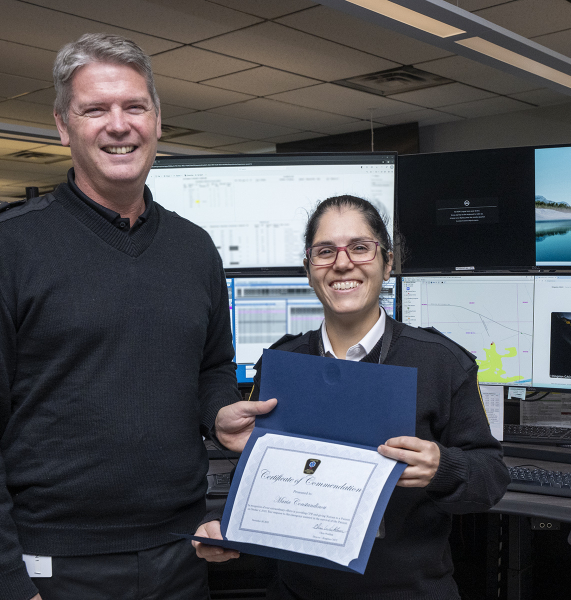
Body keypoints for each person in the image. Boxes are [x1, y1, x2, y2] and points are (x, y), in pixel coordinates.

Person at [0, 33, 273, 600]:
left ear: (158, 120)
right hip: (58, 561)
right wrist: (3, 581)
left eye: (134, 106)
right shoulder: (2, 248)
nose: (119, 125)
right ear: (64, 127)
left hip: (180, 551)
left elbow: (211, 366)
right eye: (95, 109)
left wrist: (216, 412)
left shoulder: (195, 249)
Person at [193, 195, 510, 599]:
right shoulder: (280, 364)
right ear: (309, 270)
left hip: (406, 592)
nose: (343, 263)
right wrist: (229, 526)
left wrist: (443, 467)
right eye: (325, 252)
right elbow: (259, 479)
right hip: (298, 591)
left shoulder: (441, 362)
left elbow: (491, 479)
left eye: (360, 247)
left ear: (388, 263)